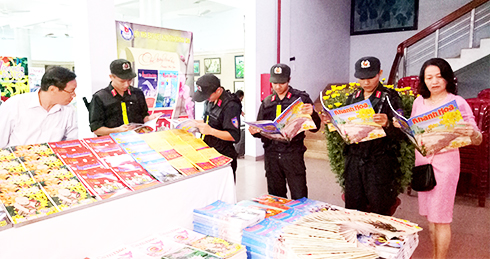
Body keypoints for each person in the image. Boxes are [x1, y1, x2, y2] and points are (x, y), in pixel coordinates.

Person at [396, 58, 481, 259]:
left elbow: (477, 138)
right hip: (423, 163)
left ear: (448, 78)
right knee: (430, 218)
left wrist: (472, 133)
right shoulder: (419, 101)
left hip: (446, 165)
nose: (434, 81)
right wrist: (403, 127)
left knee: (441, 218)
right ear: (423, 81)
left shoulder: (457, 102)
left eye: (439, 76)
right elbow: (416, 131)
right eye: (429, 77)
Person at [248, 63, 321, 199]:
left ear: (289, 80)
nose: (277, 86)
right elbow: (260, 129)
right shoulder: (267, 102)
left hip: (292, 155)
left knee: (299, 195)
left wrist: (312, 114)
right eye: (274, 83)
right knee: (276, 197)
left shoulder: (301, 99)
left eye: (281, 83)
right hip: (272, 156)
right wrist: (254, 131)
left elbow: (316, 127)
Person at [343, 56, 404, 216]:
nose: (366, 82)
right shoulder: (352, 98)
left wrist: (388, 124)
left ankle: (379, 240)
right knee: (353, 206)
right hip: (354, 160)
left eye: (370, 77)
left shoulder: (390, 98)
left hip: (378, 162)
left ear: (380, 73)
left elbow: (403, 133)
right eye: (361, 78)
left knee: (379, 207)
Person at [0, 66, 78, 148]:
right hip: (17, 158)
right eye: (71, 91)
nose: (74, 95)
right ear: (52, 89)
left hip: (52, 159)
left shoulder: (68, 110)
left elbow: (71, 142)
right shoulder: (14, 105)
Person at [88, 59, 161, 136]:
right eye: (122, 81)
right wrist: (117, 130)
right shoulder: (100, 97)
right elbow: (96, 129)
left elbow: (143, 116)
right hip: (112, 142)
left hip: (137, 139)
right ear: (111, 77)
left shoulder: (137, 93)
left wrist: (150, 119)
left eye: (129, 80)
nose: (126, 84)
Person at [193, 74, 242, 180]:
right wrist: (192, 123)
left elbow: (234, 136)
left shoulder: (231, 106)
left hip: (224, 156)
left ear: (218, 90)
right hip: (209, 153)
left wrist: (210, 131)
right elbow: (208, 120)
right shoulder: (210, 101)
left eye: (208, 96)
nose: (207, 99)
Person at [234, 89, 245, 158]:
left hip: (234, 120)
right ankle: (237, 153)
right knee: (238, 137)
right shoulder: (237, 102)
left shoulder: (233, 101)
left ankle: (236, 152)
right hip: (235, 121)